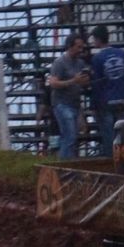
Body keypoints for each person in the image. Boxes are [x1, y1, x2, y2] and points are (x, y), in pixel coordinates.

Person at [45, 32, 92, 160]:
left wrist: (85, 81)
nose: (81, 50)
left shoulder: (80, 63)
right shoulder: (59, 63)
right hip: (62, 103)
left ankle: (66, 160)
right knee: (69, 135)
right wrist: (73, 81)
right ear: (70, 46)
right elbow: (53, 83)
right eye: (78, 47)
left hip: (74, 104)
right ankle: (65, 162)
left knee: (71, 136)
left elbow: (80, 85)